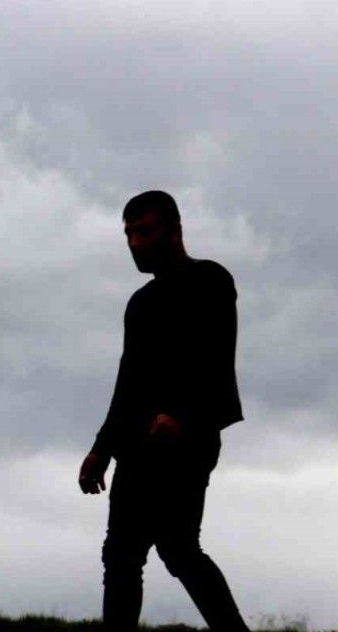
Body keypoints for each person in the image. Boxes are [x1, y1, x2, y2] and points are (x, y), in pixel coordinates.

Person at [79, 190, 250, 631]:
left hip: (188, 441)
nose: (135, 242)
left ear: (175, 231)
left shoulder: (209, 281)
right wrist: (101, 449)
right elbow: (128, 382)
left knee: (177, 547)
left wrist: (185, 419)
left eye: (145, 231)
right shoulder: (140, 304)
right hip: (137, 446)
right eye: (129, 233)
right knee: (120, 554)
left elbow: (214, 359)